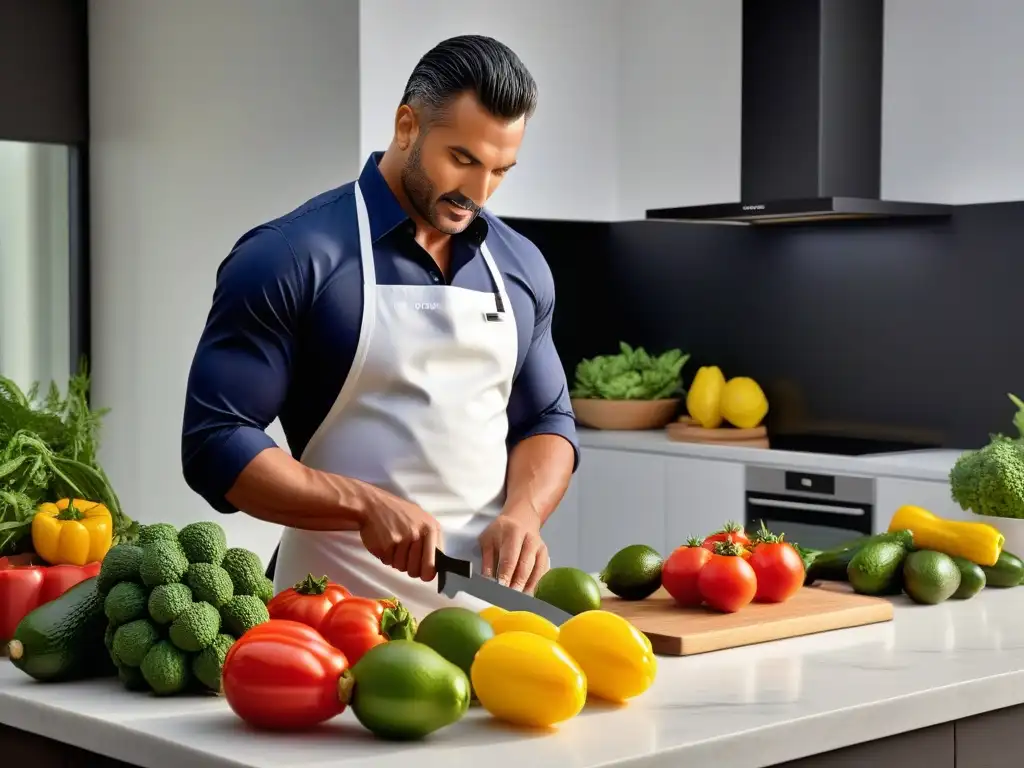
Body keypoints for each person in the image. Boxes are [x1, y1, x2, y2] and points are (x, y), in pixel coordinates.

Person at [180, 35, 579, 619]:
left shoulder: (520, 266)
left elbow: (546, 418)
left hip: (490, 618)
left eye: (500, 170)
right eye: (463, 159)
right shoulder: (291, 255)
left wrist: (525, 510)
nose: (478, 193)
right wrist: (362, 504)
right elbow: (216, 441)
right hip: (331, 619)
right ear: (406, 125)